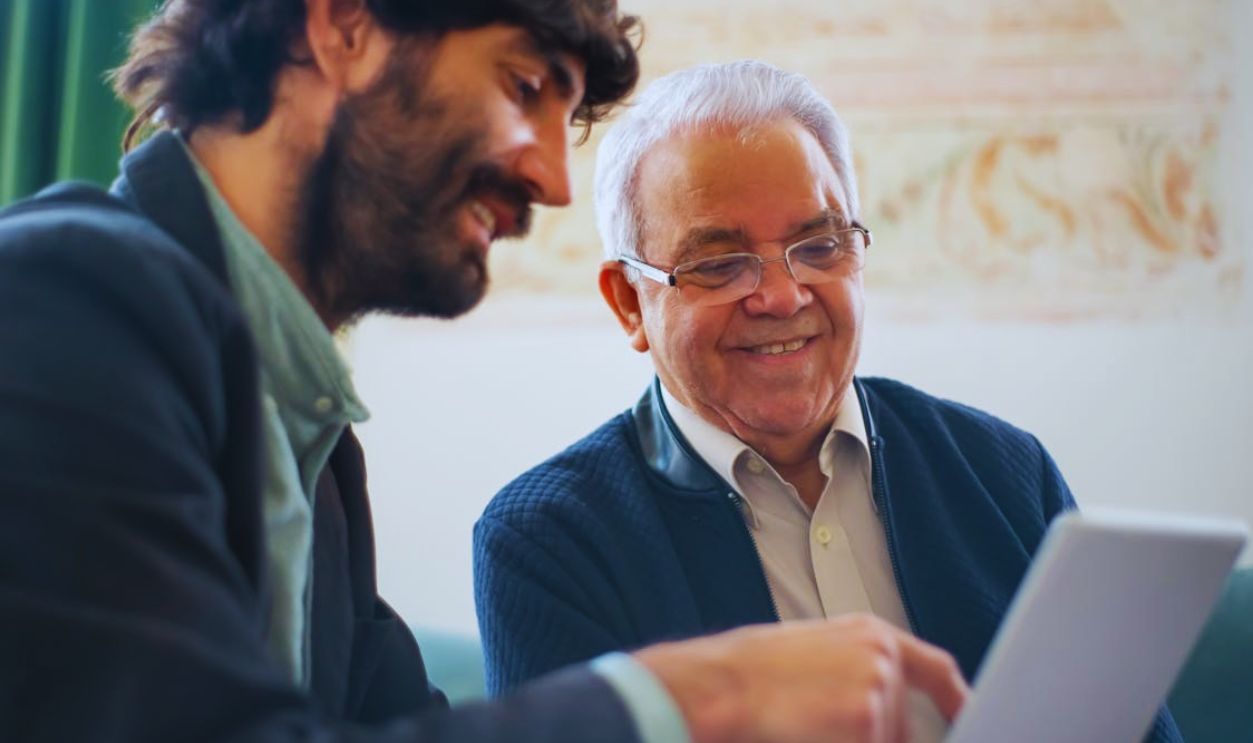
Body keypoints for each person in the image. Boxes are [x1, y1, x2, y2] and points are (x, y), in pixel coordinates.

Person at [0, 3, 968, 742]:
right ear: (343, 29)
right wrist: (701, 693)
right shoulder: (60, 296)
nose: (551, 178)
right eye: (523, 86)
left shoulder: (314, 444)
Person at [473, 60, 1183, 742]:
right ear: (629, 302)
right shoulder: (546, 540)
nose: (783, 296)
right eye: (719, 263)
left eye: (819, 246)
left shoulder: (1003, 470)